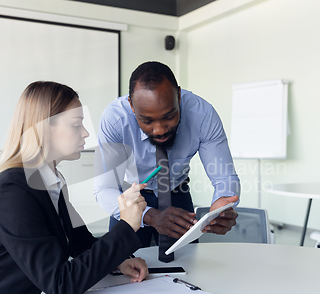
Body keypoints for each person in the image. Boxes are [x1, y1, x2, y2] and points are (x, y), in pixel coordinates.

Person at [0, 81, 148, 294]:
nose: (86, 134)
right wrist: (126, 227)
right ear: (45, 128)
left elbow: (80, 243)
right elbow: (62, 284)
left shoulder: (49, 179)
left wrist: (119, 261)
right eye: (76, 125)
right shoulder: (11, 191)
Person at [94, 61, 240, 261]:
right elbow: (104, 189)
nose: (160, 129)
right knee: (122, 268)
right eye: (147, 120)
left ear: (178, 96)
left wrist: (222, 206)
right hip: (131, 197)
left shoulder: (202, 115)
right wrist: (150, 215)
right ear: (131, 105)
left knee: (187, 267)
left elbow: (225, 178)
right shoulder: (115, 119)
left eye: (169, 116)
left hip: (177, 193)